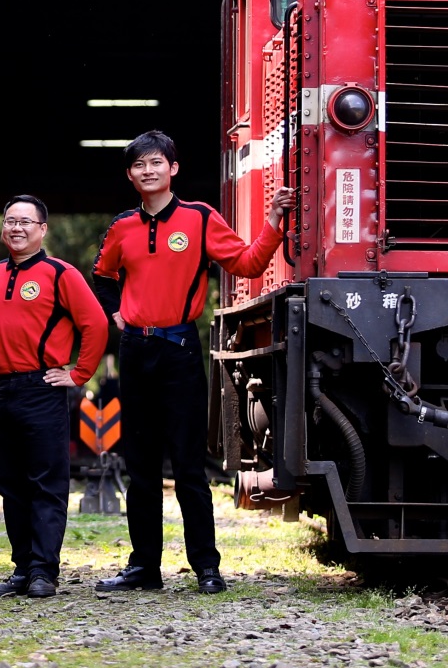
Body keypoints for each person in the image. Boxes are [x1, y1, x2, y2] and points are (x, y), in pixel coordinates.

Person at [90, 131, 296, 594]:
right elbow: (102, 276)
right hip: (136, 352)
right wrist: (116, 314)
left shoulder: (199, 217)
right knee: (140, 466)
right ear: (130, 175)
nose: (148, 171)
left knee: (187, 466)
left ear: (173, 168)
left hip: (179, 351)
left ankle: (206, 567)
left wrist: (273, 220)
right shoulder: (122, 226)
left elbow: (247, 264)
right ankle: (144, 568)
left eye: (156, 162)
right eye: (139, 165)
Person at [0, 194, 108, 599]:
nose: (16, 228)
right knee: (10, 484)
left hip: (42, 390)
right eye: (10, 221)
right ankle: (22, 568)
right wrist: (1, 362)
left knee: (46, 484)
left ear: (42, 229)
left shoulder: (61, 274)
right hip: (0, 393)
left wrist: (79, 373)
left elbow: (96, 323)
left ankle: (43, 572)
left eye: (25, 222)